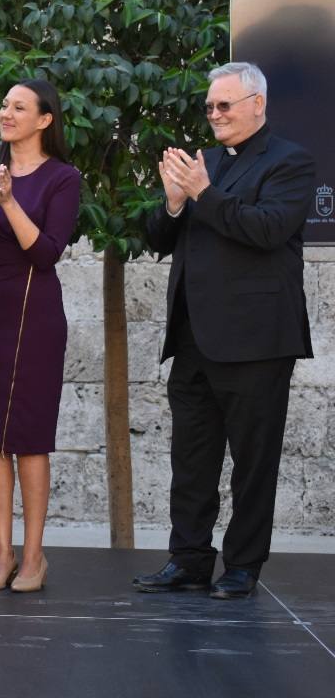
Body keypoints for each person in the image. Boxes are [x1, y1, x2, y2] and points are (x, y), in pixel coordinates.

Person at [134, 62, 314, 599]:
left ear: (257, 104)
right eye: (209, 107)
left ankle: (242, 566)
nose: (214, 115)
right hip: (193, 341)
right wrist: (171, 200)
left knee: (253, 464)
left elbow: (266, 230)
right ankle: (188, 559)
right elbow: (159, 239)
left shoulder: (290, 162)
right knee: (190, 461)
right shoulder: (202, 164)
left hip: (257, 342)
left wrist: (202, 193)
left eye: (225, 105)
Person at [0, 79, 81, 594]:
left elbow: (46, 252)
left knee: (27, 436)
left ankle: (33, 557)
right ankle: (1, 555)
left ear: (45, 119)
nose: (6, 112)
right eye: (3, 103)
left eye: (18, 106)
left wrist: (7, 203)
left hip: (34, 313)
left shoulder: (62, 178)